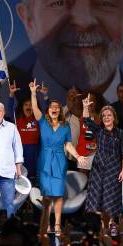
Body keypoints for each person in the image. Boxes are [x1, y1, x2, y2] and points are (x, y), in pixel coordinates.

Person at [14, 0, 123, 103]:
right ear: (28, 19)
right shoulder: (4, 100)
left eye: (104, 3)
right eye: (60, 3)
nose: (83, 22)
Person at [30, 80, 85, 234]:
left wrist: (77, 155)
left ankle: (57, 224)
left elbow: (68, 144)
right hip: (45, 160)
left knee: (58, 194)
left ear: (60, 111)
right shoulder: (42, 123)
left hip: (60, 160)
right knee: (47, 195)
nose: (54, 109)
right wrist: (34, 93)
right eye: (52, 107)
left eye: (57, 107)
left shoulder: (65, 126)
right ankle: (46, 224)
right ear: (48, 110)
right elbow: (34, 107)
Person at [82, 98, 123, 222]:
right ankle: (100, 229)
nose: (106, 117)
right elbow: (86, 121)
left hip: (113, 170)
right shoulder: (98, 131)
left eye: (109, 115)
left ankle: (112, 226)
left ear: (114, 117)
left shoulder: (121, 133)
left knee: (111, 200)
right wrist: (85, 106)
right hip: (98, 170)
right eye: (104, 116)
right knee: (96, 200)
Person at [8, 80, 43, 177]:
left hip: (35, 153)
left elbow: (47, 111)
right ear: (22, 107)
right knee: (22, 177)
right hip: (21, 152)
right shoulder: (17, 119)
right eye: (26, 105)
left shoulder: (38, 120)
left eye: (31, 105)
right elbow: (10, 109)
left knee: (34, 177)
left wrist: (45, 97)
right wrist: (11, 94)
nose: (28, 107)